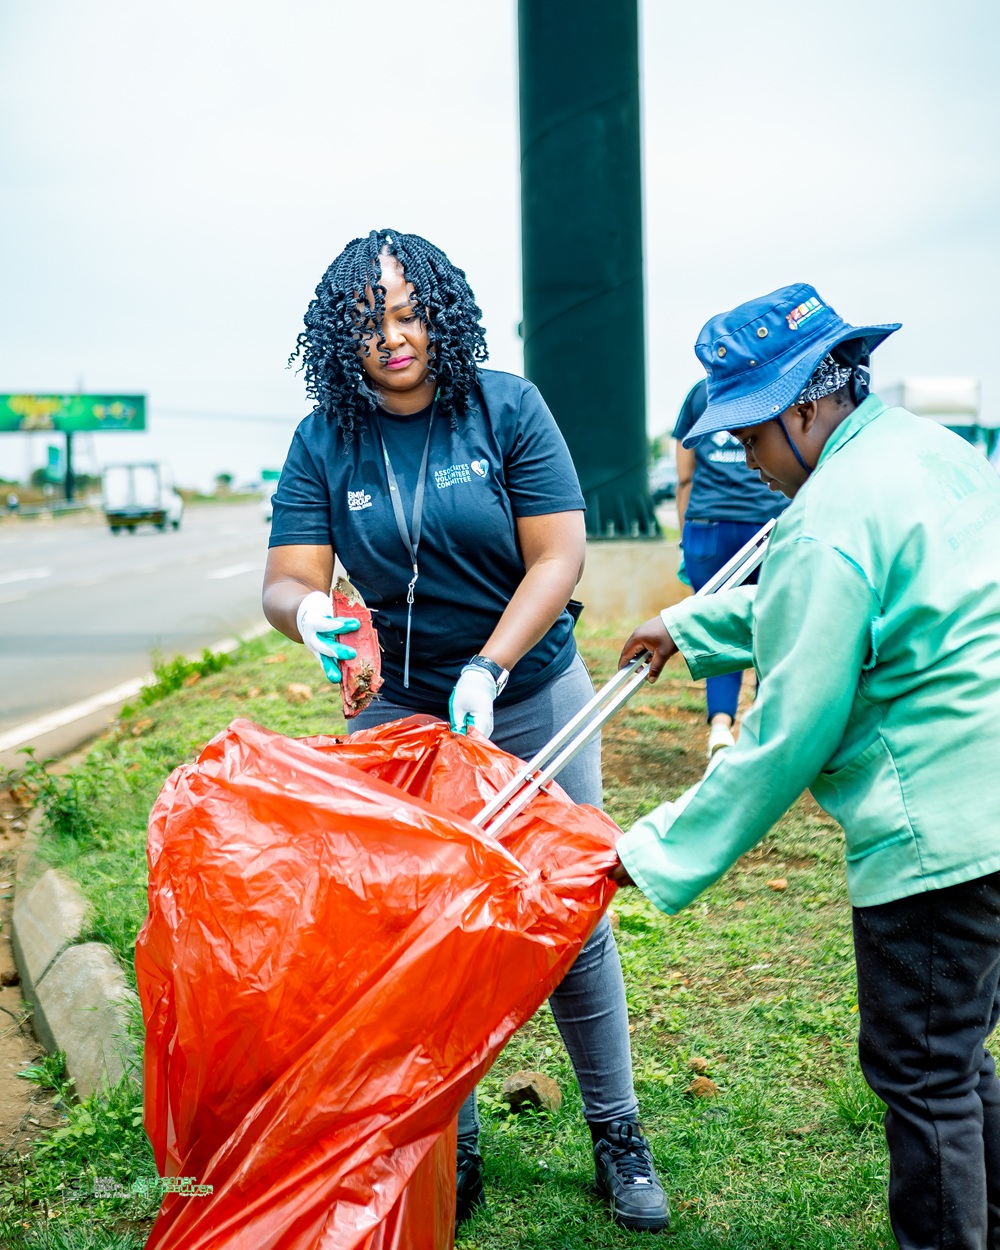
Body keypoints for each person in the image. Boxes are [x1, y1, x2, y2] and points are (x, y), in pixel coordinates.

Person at [261, 229, 669, 1234]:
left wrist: (490, 665)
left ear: (440, 313)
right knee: (422, 928)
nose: (393, 337)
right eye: (370, 322)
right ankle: (456, 1137)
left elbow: (558, 555)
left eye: (409, 314)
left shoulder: (506, 406)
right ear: (341, 337)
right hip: (401, 713)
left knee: (570, 912)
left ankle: (617, 1131)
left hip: (528, 692)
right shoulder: (325, 439)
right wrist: (313, 618)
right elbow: (287, 577)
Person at [612, 282, 1000, 1250]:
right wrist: (690, 625)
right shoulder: (924, 450)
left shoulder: (827, 515)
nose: (748, 461)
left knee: (921, 1074)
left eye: (751, 438)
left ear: (806, 406)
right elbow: (838, 591)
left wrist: (648, 851)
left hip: (937, 827)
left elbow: (786, 731)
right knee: (955, 1053)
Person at [673, 379, 787, 756]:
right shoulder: (774, 382)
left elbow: (685, 476)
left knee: (718, 625)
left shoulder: (700, 393)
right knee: (774, 627)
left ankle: (720, 726)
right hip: (769, 523)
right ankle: (762, 728)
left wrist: (684, 538)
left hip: (708, 526)